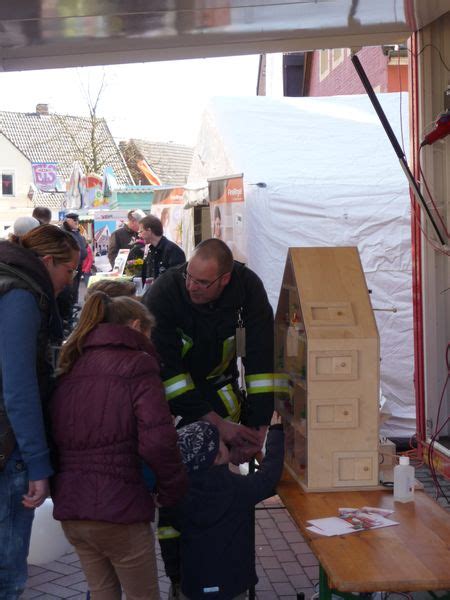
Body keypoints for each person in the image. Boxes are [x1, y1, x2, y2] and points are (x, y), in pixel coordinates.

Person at [142, 237, 275, 594]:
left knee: (216, 495)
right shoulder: (165, 294)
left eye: (202, 283)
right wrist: (219, 426)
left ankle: (222, 569)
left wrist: (258, 426)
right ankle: (179, 578)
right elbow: (166, 374)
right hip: (171, 407)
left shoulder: (248, 290)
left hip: (219, 394)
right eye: (190, 277)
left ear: (225, 280)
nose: (192, 287)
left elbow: (261, 361)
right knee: (174, 499)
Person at [50, 292, 189, 600]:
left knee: (102, 594)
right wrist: (172, 490)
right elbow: (158, 441)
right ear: (137, 326)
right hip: (120, 508)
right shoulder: (138, 365)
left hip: (74, 510)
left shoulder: (71, 365)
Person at [0, 225, 80, 597]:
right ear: (47, 262)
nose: (71, 280)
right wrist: (37, 462)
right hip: (8, 447)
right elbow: (19, 387)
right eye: (69, 271)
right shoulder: (21, 295)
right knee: (8, 574)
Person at [175, 417, 284, 600]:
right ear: (218, 456)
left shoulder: (179, 493)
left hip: (193, 584)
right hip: (232, 583)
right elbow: (268, 477)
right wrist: (277, 433)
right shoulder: (236, 488)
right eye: (223, 445)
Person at [139, 214, 186, 284]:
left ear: (149, 231)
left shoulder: (173, 251)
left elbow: (176, 279)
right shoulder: (151, 250)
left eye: (141, 231)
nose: (139, 235)